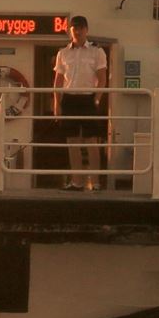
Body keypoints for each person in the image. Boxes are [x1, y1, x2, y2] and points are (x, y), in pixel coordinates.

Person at [51, 14, 109, 191]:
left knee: (91, 141)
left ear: (87, 30)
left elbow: (102, 78)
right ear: (70, 30)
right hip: (69, 98)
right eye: (74, 27)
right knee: (73, 142)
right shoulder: (63, 53)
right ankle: (77, 181)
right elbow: (58, 81)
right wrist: (57, 103)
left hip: (88, 97)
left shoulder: (97, 51)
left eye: (81, 28)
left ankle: (96, 182)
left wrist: (97, 99)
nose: (78, 31)